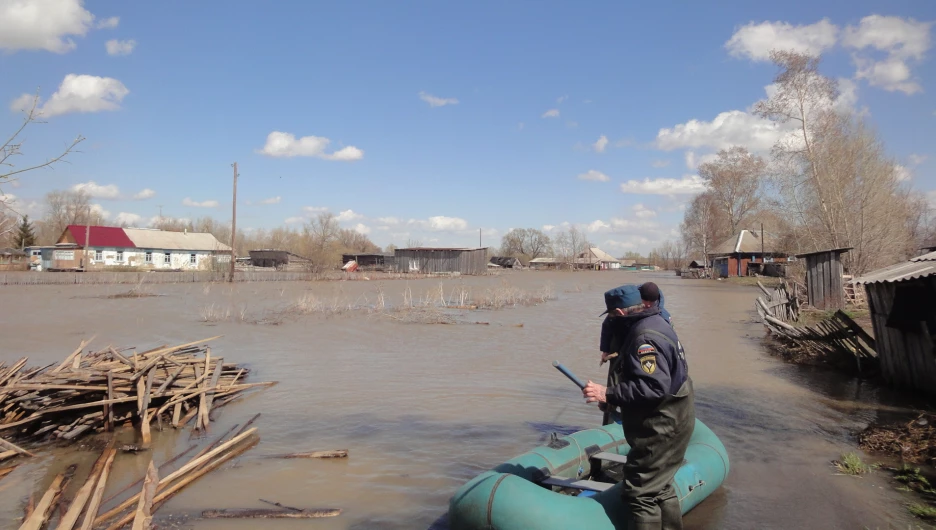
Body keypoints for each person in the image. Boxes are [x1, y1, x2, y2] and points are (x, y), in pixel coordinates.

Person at [584, 282, 695, 530]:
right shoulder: (658, 321)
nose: (612, 320)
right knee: (661, 486)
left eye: (612, 315)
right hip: (677, 417)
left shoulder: (643, 338)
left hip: (661, 426)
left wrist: (607, 393)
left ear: (621, 313)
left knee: (641, 493)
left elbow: (654, 387)